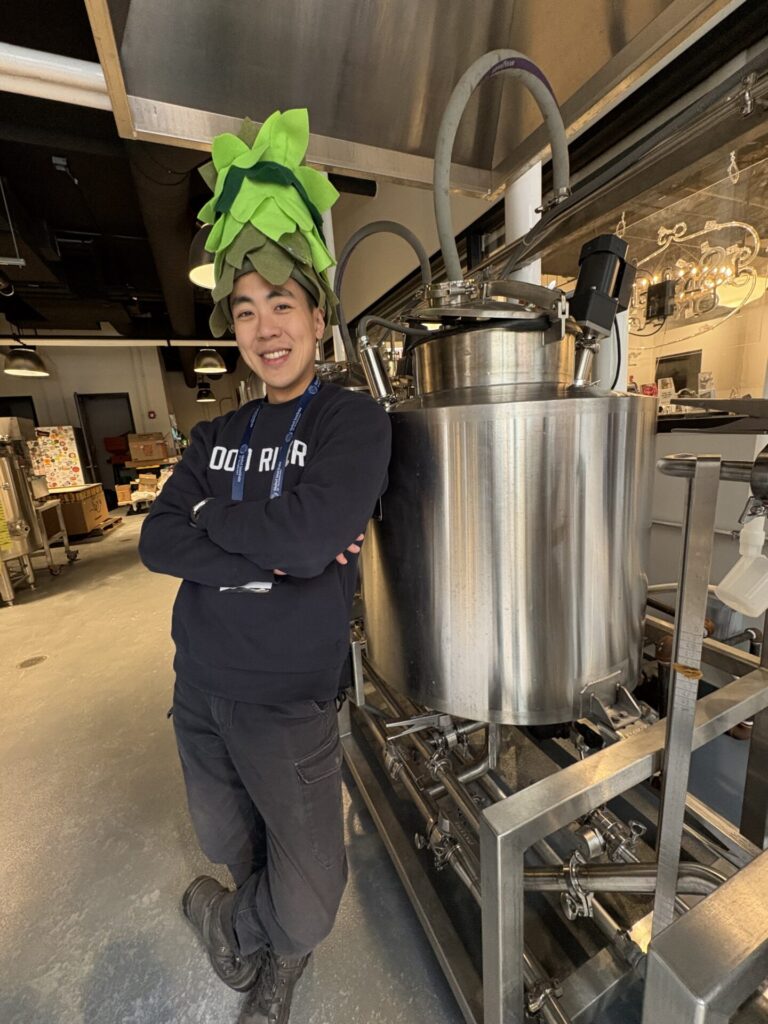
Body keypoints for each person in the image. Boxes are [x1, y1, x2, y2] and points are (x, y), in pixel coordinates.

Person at [139, 109, 391, 1024]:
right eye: (245, 310)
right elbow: (158, 541)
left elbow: (303, 536)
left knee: (313, 889)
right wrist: (266, 529)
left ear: (317, 316)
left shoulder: (351, 422)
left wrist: (221, 517)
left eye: (281, 305)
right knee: (231, 837)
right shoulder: (215, 432)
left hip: (287, 700)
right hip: (198, 686)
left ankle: (238, 933)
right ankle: (262, 950)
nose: (264, 327)